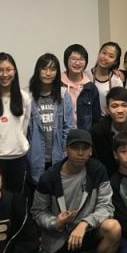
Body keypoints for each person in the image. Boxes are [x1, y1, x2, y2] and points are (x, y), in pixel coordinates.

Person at [32, 129, 121, 253]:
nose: (80, 153)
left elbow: (106, 207)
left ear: (91, 151)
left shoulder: (97, 170)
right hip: (61, 238)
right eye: (75, 148)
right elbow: (37, 212)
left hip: (87, 231)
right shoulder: (49, 177)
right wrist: (56, 222)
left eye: (85, 148)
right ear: (65, 149)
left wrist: (85, 224)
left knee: (113, 227)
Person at [27, 53, 75, 188]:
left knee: (57, 190)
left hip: (58, 154)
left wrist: (65, 150)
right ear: (37, 71)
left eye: (53, 69)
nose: (48, 73)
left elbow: (69, 126)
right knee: (38, 192)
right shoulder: (28, 96)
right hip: (35, 155)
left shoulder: (63, 95)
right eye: (44, 69)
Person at [0, 53, 30, 194]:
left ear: (15, 71)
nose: (5, 74)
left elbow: (25, 126)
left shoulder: (23, 97)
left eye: (9, 69)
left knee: (17, 198)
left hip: (19, 157)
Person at [61, 44, 100, 130]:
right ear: (66, 61)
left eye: (81, 59)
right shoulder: (58, 84)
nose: (77, 63)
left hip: (83, 135)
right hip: (62, 134)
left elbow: (96, 118)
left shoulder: (90, 88)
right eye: (73, 59)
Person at [91, 42, 123, 115]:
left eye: (111, 56)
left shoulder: (116, 80)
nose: (105, 58)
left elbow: (118, 105)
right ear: (99, 53)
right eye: (104, 53)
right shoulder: (86, 75)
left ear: (115, 62)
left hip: (107, 119)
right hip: (87, 119)